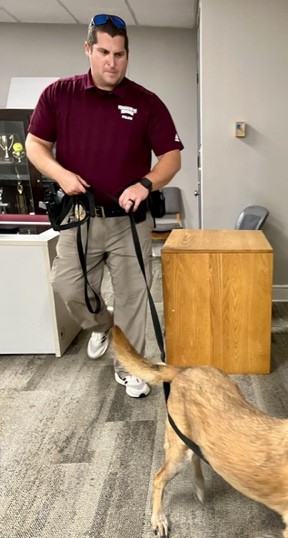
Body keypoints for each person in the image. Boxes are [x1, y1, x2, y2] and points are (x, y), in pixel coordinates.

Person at [26, 14, 183, 398]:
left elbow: (171, 156)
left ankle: (129, 366)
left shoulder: (145, 102)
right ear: (88, 50)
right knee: (68, 285)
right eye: (103, 52)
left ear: (127, 55)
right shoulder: (59, 94)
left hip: (129, 220)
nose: (112, 61)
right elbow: (35, 145)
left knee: (134, 296)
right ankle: (102, 326)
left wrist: (146, 183)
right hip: (79, 218)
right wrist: (61, 174)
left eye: (120, 54)